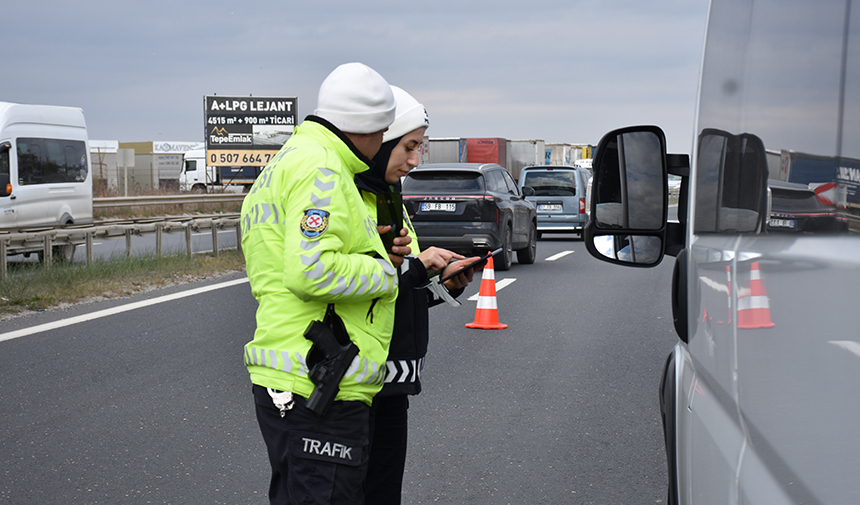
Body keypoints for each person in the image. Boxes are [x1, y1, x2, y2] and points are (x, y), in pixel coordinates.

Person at [240, 62, 410, 505]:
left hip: (284, 371)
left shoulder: (282, 163)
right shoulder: (324, 170)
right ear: (369, 126)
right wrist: (384, 271)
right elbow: (310, 270)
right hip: (321, 381)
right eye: (384, 130)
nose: (382, 143)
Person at [354, 85, 478, 504]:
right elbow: (352, 285)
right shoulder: (349, 200)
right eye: (408, 146)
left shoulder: (391, 196)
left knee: (384, 493)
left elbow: (396, 288)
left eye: (420, 147)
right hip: (355, 382)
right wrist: (417, 266)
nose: (414, 160)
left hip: (393, 380)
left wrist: (441, 283)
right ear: (379, 142)